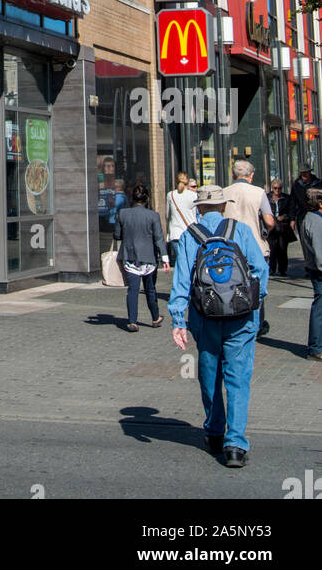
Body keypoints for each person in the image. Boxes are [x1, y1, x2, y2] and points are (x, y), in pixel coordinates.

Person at [169, 183, 268, 468]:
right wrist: (252, 303)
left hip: (205, 316)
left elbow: (182, 283)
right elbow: (260, 272)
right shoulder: (241, 231)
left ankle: (214, 431)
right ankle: (235, 444)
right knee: (238, 378)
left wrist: (178, 320)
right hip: (241, 318)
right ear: (224, 206)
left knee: (209, 373)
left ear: (198, 208)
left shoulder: (191, 237)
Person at [222, 161, 275, 337]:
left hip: (230, 247)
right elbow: (269, 221)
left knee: (232, 283)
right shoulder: (258, 192)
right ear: (251, 175)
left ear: (233, 175)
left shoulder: (224, 192)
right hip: (256, 247)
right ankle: (256, 323)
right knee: (256, 286)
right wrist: (266, 232)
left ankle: (233, 318)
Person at [113, 183, 169, 332]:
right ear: (147, 199)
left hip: (130, 256)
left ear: (132, 198)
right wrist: (165, 257)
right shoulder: (153, 215)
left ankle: (132, 321)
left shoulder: (123, 213)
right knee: (150, 289)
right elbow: (158, 238)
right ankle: (155, 318)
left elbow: (117, 235)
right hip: (149, 257)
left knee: (133, 290)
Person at [297, 187, 322, 361]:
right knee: (319, 308)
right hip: (319, 270)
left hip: (315, 268)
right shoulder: (315, 221)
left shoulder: (311, 219)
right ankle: (315, 347)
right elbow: (320, 251)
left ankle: (316, 346)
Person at [165, 172, 198, 266]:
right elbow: (196, 214)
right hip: (191, 233)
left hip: (176, 234)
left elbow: (167, 215)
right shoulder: (194, 196)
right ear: (187, 182)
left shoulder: (170, 195)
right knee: (191, 262)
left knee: (181, 262)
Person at [266, 180, 292, 277]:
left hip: (282, 226)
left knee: (282, 248)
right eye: (275, 188)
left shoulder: (286, 198)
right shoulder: (267, 198)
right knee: (271, 248)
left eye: (279, 188)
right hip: (271, 225)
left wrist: (285, 217)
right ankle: (271, 268)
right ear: (272, 188)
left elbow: (291, 211)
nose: (277, 190)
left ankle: (282, 269)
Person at [289, 162, 322, 233]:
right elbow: (292, 203)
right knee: (305, 240)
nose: (304, 174)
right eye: (302, 172)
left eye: (306, 172)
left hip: (317, 215)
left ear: (310, 172)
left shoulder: (319, 184)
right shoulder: (296, 185)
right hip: (302, 216)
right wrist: (292, 219)